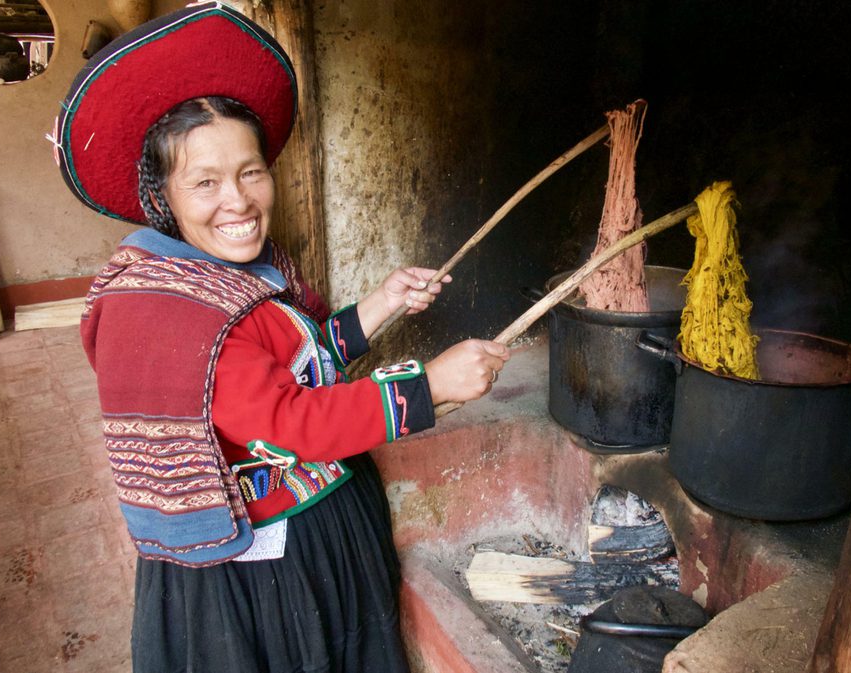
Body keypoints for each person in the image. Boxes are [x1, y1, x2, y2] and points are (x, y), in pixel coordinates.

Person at [52, 4, 509, 672]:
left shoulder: (239, 271)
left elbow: (296, 359)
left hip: (319, 525)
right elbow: (288, 420)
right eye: (204, 182)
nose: (237, 201)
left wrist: (382, 303)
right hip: (270, 574)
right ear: (163, 197)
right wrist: (429, 387)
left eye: (250, 171)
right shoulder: (170, 312)